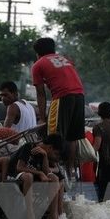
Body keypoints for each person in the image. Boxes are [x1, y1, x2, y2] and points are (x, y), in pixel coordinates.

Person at [32, 37, 85, 177]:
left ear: (37, 53)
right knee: (72, 137)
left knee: (54, 136)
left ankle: (56, 172)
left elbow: (41, 94)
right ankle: (70, 171)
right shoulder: (65, 59)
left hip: (62, 97)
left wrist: (42, 118)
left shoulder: (38, 64)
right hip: (79, 95)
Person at [8, 133, 65, 219]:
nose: (56, 157)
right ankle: (31, 217)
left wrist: (45, 156)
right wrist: (39, 173)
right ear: (50, 147)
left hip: (30, 176)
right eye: (55, 153)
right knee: (28, 176)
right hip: (14, 175)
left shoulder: (43, 153)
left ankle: (54, 217)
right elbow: (19, 167)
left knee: (55, 179)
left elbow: (47, 172)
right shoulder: (29, 147)